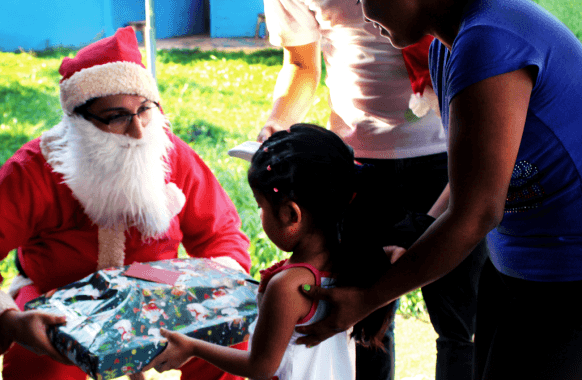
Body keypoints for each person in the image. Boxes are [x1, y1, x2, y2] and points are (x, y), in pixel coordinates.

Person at [0, 26, 251, 380]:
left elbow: (221, 233)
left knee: (226, 344)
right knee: (37, 363)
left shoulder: (169, 150)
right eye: (116, 116)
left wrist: (212, 296)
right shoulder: (34, 168)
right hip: (58, 293)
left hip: (155, 284)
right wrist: (11, 321)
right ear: (78, 121)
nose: (137, 132)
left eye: (144, 110)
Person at [297, 0, 582, 378]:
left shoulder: (489, 39)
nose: (363, 13)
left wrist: (367, 299)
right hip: (515, 266)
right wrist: (419, 231)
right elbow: (478, 174)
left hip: (565, 281)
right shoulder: (448, 48)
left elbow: (477, 213)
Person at [257, 1, 488, 379]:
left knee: (460, 324)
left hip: (451, 155)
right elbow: (301, 64)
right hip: (359, 164)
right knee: (365, 321)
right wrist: (277, 123)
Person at [146, 124, 398, 380]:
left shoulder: (288, 287)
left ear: (291, 214)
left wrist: (193, 346)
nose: (260, 215)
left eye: (260, 207)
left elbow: (261, 366)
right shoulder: (352, 259)